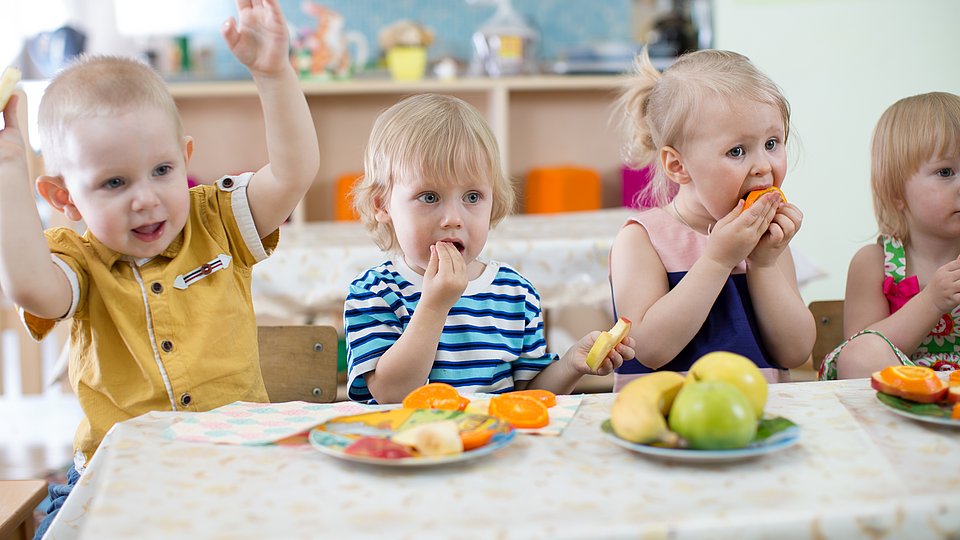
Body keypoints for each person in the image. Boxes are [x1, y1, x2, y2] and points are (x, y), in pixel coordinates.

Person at [0, 0, 319, 536]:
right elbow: (31, 289)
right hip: (117, 475)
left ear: (184, 156)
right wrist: (9, 165)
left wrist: (274, 73)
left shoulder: (216, 220)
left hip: (237, 464)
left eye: (162, 170)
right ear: (65, 198)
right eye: (114, 183)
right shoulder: (79, 260)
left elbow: (292, 174)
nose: (146, 199)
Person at [344, 93, 635, 404]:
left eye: (472, 197)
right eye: (429, 197)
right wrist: (434, 306)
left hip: (493, 446)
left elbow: (528, 397)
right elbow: (391, 394)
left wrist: (571, 365)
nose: (453, 218)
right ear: (381, 204)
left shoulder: (515, 292)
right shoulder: (373, 292)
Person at [609, 48, 814, 390]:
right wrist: (718, 260)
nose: (764, 165)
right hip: (666, 428)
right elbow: (649, 350)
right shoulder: (643, 240)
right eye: (737, 151)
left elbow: (795, 351)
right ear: (678, 166)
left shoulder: (768, 242)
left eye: (772, 143)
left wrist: (764, 264)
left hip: (757, 420)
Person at [819, 92, 960, 380]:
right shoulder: (875, 262)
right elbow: (860, 349)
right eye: (946, 171)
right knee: (861, 354)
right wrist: (932, 301)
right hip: (905, 387)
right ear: (896, 193)